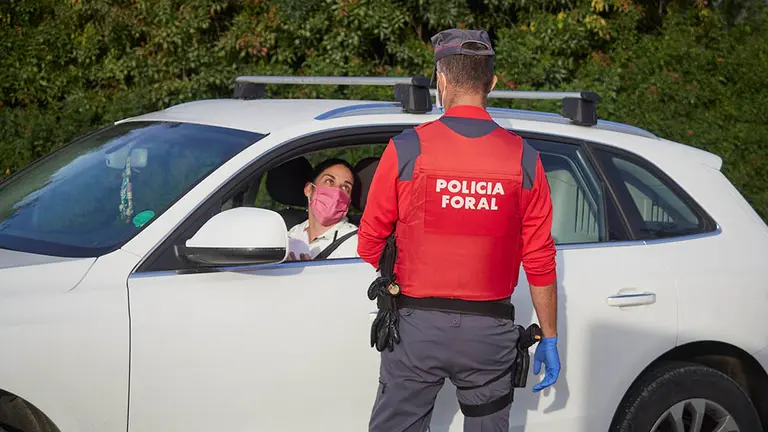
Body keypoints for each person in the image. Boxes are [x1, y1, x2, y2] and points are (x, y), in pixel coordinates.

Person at [357, 28, 560, 431]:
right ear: (492, 83)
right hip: (490, 334)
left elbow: (368, 243)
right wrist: (550, 337)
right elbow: (539, 260)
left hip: (415, 329)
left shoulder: (407, 149)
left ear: (441, 79)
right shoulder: (525, 159)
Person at [287, 158, 359, 260]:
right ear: (309, 189)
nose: (337, 192)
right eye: (329, 181)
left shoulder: (356, 244)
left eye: (345, 188)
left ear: (349, 201)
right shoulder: (291, 236)